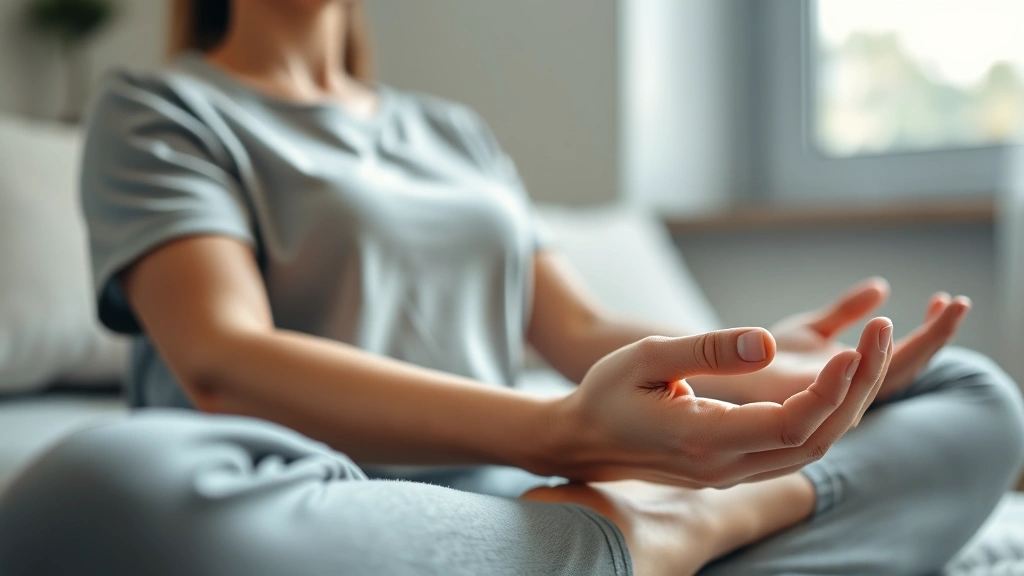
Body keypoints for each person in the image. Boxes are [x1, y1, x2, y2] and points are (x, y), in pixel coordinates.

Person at [1, 1, 1022, 575]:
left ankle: (642, 540)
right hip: (335, 508)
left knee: (970, 397)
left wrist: (770, 369)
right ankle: (648, 540)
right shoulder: (160, 106)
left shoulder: (452, 133)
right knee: (87, 502)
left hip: (516, 510)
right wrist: (551, 433)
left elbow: (576, 328)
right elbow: (224, 361)